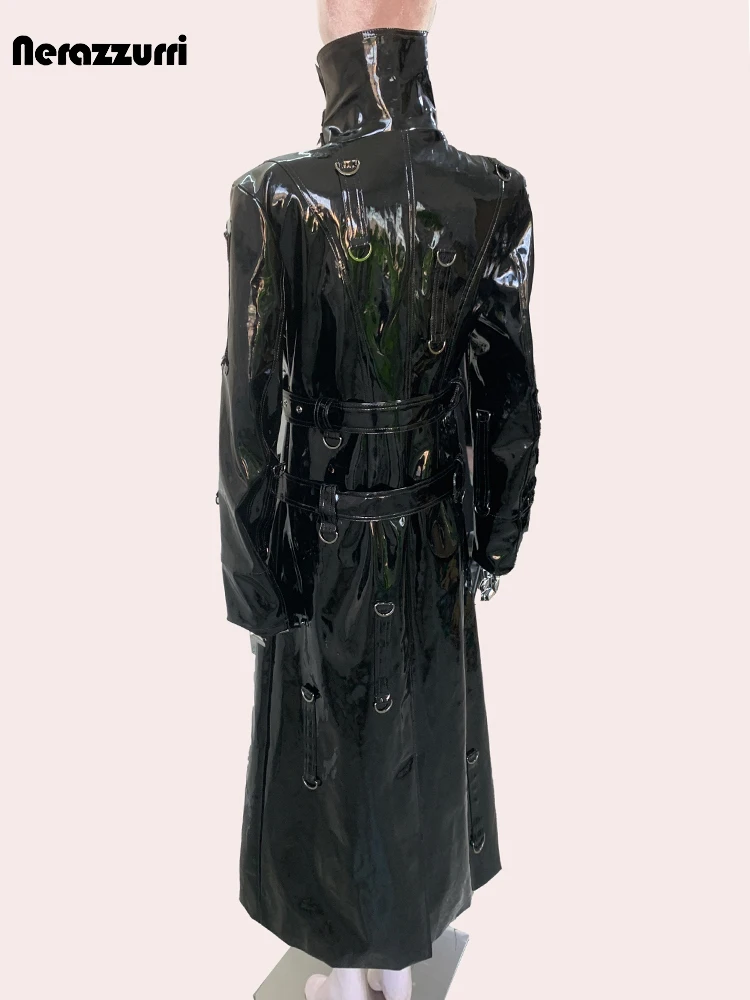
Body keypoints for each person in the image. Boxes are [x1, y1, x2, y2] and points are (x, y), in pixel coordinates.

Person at [217, 4, 541, 999]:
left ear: (330, 29)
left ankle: (368, 969)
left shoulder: (277, 195)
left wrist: (258, 581)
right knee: (413, 753)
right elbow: (510, 398)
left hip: (320, 540)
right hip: (434, 535)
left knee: (336, 764)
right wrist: (493, 540)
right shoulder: (488, 191)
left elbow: (249, 416)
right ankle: (393, 971)